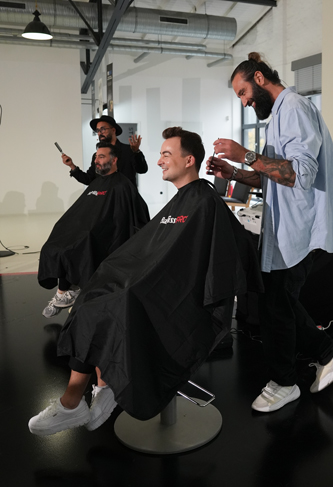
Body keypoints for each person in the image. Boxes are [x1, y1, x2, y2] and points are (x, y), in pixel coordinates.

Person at [29, 128, 261, 436]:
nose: (159, 161)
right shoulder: (182, 201)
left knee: (112, 303)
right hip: (153, 285)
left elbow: (221, 258)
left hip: (174, 297)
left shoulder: (204, 202)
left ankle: (83, 398)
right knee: (93, 294)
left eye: (166, 154)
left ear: (189, 160)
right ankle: (89, 395)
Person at [208, 53, 333, 413]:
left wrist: (246, 155)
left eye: (243, 92)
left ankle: (285, 381)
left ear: (259, 79)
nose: (244, 102)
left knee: (276, 303)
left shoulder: (293, 107)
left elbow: (300, 174)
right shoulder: (278, 115)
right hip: (288, 229)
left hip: (304, 230)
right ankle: (327, 355)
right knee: (279, 301)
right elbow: (271, 176)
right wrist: (233, 173)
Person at [39, 143, 150, 317]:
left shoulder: (122, 185)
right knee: (56, 243)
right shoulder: (97, 182)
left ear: (114, 160)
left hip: (105, 234)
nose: (96, 160)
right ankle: (65, 292)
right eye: (96, 157)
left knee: (79, 243)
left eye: (101, 157)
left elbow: (122, 219)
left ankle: (68, 292)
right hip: (86, 229)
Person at [62, 115, 148, 187]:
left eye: (103, 129)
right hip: (105, 198)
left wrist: (136, 152)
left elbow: (142, 169)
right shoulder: (96, 156)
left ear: (113, 130)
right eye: (98, 130)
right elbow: (88, 179)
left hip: (125, 198)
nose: (100, 133)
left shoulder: (129, 150)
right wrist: (71, 165)